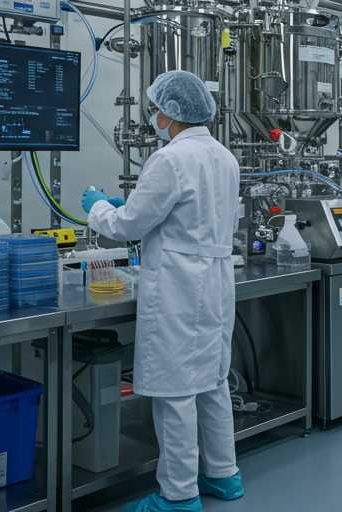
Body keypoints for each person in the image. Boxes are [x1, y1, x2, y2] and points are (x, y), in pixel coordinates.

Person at [82, 70, 243, 512]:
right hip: (215, 281)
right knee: (212, 382)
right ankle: (224, 475)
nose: (151, 116)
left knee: (175, 392)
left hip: (178, 283)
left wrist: (98, 206)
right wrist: (134, 211)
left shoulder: (170, 159)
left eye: (153, 109)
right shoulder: (224, 157)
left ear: (171, 112)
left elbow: (128, 225)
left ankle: (178, 496)